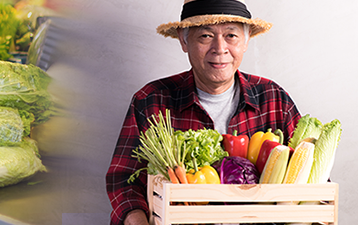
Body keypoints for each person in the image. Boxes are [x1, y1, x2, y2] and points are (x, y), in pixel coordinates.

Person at [105, 0, 301, 224]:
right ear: (184, 40)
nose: (220, 48)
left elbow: (310, 180)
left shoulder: (274, 99)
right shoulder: (151, 101)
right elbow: (123, 179)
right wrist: (136, 218)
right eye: (206, 36)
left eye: (231, 35)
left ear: (246, 41)